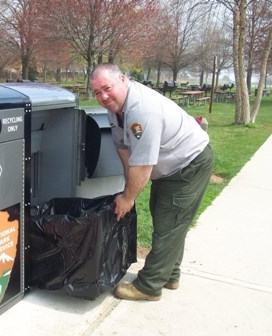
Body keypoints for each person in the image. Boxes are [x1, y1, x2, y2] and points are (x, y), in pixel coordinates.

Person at [89, 63, 214, 301]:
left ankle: (149, 286)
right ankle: (170, 274)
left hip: (190, 164)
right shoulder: (115, 108)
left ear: (123, 79)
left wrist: (128, 198)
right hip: (169, 168)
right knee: (166, 218)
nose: (103, 96)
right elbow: (125, 150)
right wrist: (128, 191)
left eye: (107, 88)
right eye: (97, 92)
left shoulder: (142, 111)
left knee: (169, 223)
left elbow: (143, 165)